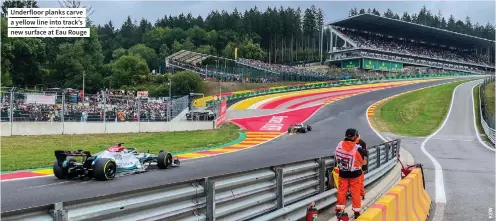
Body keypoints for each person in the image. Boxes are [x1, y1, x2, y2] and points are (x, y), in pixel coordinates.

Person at [334, 128, 367, 219]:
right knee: (355, 192)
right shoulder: (357, 147)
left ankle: (339, 209)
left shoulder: (339, 144)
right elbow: (362, 159)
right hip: (355, 173)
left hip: (343, 172)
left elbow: (336, 155)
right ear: (355, 136)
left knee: (341, 191)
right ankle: (356, 212)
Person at [354, 132, 368, 200]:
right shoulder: (362, 143)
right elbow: (366, 154)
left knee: (355, 181)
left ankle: (360, 194)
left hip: (355, 165)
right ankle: (362, 194)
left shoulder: (349, 142)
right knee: (360, 181)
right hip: (360, 165)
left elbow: (365, 154)